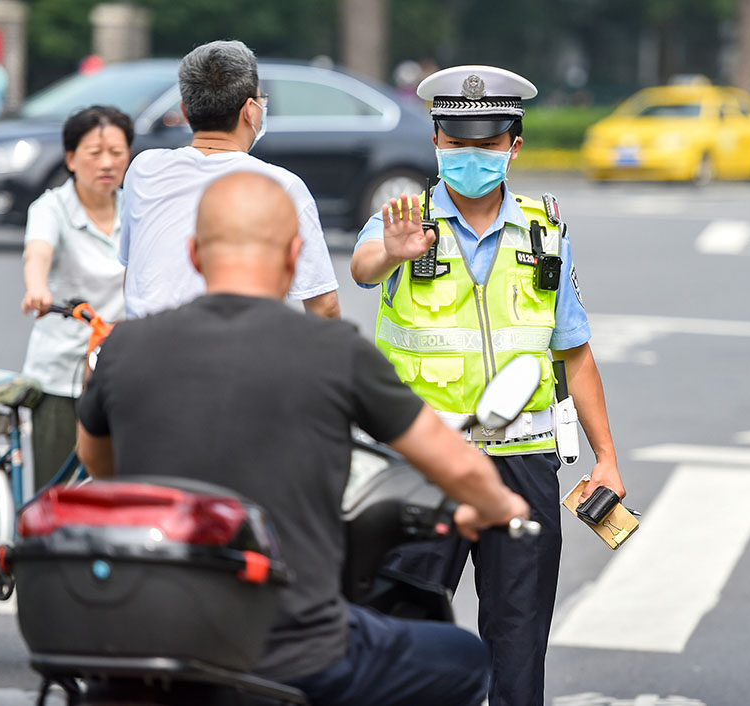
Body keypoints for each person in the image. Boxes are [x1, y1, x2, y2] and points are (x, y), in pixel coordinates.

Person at [75, 171, 531, 706]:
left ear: (195, 254)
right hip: (293, 652)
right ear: (294, 257)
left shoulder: (125, 347)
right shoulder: (334, 350)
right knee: (463, 660)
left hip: (149, 640)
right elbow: (458, 466)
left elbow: (98, 464)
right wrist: (498, 505)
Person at [349, 65, 627, 706]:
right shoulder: (402, 221)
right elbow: (363, 269)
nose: (469, 156)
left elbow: (576, 354)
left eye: (485, 144)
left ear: (513, 146)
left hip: (523, 464)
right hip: (422, 466)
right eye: (456, 143)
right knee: (400, 638)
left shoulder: (544, 230)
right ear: (437, 142)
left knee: (518, 644)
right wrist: (390, 251)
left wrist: (606, 457)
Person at [119, 39, 340, 320]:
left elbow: (132, 269)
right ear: (251, 110)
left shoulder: (144, 169)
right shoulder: (280, 186)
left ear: (185, 112)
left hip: (145, 347)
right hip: (237, 353)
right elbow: (323, 305)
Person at [20, 105, 132, 490]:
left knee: (119, 483)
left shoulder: (137, 209)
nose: (107, 163)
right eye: (94, 153)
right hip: (61, 371)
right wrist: (37, 289)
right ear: (70, 158)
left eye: (117, 153)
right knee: (55, 488)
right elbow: (38, 251)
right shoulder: (51, 208)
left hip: (119, 366)